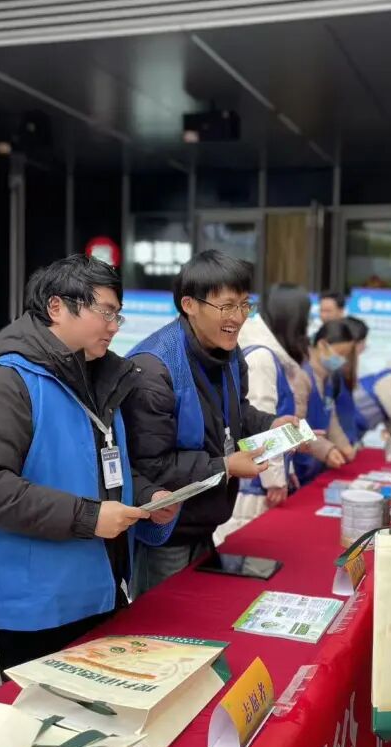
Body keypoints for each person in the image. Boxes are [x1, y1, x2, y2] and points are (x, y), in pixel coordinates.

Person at [0, 255, 179, 677]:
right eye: (105, 312)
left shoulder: (101, 377)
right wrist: (89, 517)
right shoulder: (6, 383)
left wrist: (147, 497)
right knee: (42, 719)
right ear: (57, 307)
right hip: (37, 610)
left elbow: (97, 465)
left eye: (117, 315)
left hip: (100, 591)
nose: (114, 326)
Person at [123, 250, 297, 595]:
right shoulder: (155, 369)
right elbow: (150, 465)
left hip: (205, 522)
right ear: (189, 304)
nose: (238, 317)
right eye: (227, 306)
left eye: (245, 305)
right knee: (163, 621)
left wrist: (271, 424)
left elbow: (235, 412)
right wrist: (225, 467)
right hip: (165, 533)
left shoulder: (227, 351)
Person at [221, 283, 324, 541]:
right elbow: (261, 425)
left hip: (257, 480)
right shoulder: (261, 357)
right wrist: (275, 479)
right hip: (253, 488)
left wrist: (287, 467)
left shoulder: (264, 353)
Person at [294, 320, 357, 485]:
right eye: (340, 353)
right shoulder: (302, 375)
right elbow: (295, 425)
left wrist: (343, 445)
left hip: (315, 464)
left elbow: (330, 417)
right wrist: (326, 450)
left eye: (346, 355)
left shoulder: (328, 377)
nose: (342, 360)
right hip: (298, 462)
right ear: (322, 345)